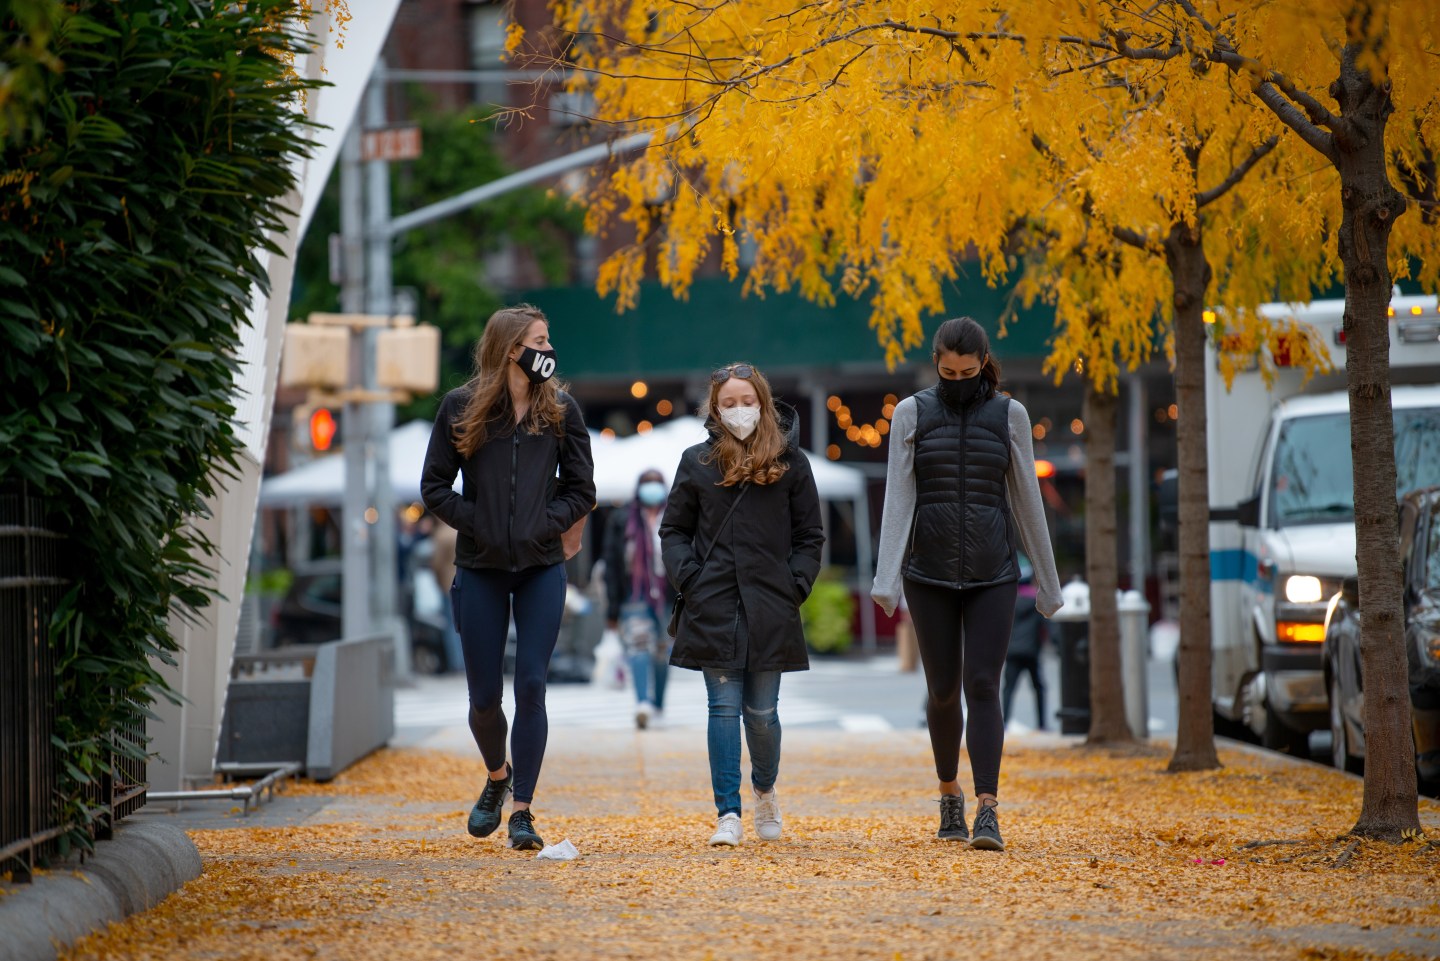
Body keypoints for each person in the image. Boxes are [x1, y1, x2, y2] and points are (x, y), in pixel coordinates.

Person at [871, 317, 1062, 853]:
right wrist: (887, 578)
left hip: (993, 573)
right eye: (947, 371)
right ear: (936, 363)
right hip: (927, 574)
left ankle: (988, 810)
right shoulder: (911, 412)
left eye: (968, 371)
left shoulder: (1010, 415)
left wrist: (1047, 582)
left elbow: (1026, 500)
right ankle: (948, 793)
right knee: (939, 690)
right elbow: (899, 498)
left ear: (983, 365)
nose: (957, 379)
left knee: (984, 686)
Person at [420, 304, 595, 852]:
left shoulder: (561, 411)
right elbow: (434, 486)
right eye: (539, 341)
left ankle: (523, 810)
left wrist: (548, 523)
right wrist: (482, 523)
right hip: (481, 568)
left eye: (548, 339)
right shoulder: (461, 408)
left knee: (533, 686)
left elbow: (582, 489)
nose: (549, 351)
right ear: (510, 349)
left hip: (542, 566)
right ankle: (497, 777)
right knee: (483, 698)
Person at [661, 362, 824, 847]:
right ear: (714, 409)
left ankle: (765, 789)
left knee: (762, 713)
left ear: (763, 403)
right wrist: (689, 578)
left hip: (771, 605)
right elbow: (674, 530)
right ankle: (727, 813)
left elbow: (810, 535)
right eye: (728, 403)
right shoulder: (697, 462)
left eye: (746, 401)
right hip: (713, 603)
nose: (739, 411)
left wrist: (795, 584)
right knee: (722, 708)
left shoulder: (792, 463)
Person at [604, 469, 673, 729]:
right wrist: (612, 609)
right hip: (634, 594)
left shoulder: (674, 516)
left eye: (656, 484)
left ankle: (658, 703)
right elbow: (612, 564)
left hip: (668, 596)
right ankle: (642, 702)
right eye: (647, 484)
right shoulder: (623, 519)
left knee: (662, 652)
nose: (652, 489)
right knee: (639, 646)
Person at [1002, 558, 1048, 731]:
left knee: (1008, 688)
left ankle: (1004, 722)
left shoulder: (1009, 602)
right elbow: (1046, 627)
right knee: (1039, 687)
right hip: (1031, 652)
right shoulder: (1036, 602)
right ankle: (1042, 724)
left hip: (1012, 651)